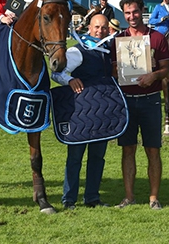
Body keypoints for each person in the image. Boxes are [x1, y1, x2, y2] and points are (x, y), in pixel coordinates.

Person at [110, 0, 169, 210]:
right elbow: (113, 70)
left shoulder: (157, 38)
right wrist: (118, 71)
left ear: (142, 11)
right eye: (127, 13)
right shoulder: (119, 39)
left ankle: (154, 198)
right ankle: (129, 196)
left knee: (153, 150)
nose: (131, 16)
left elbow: (166, 69)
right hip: (126, 102)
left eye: (135, 12)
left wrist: (154, 75)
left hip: (150, 101)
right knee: (127, 149)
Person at [51, 14, 114, 210]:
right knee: (75, 156)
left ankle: (92, 198)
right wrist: (69, 80)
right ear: (89, 28)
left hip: (102, 111)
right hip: (81, 112)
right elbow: (57, 72)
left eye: (104, 28)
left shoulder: (107, 50)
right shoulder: (78, 51)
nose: (100, 31)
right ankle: (69, 199)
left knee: (98, 156)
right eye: (97, 27)